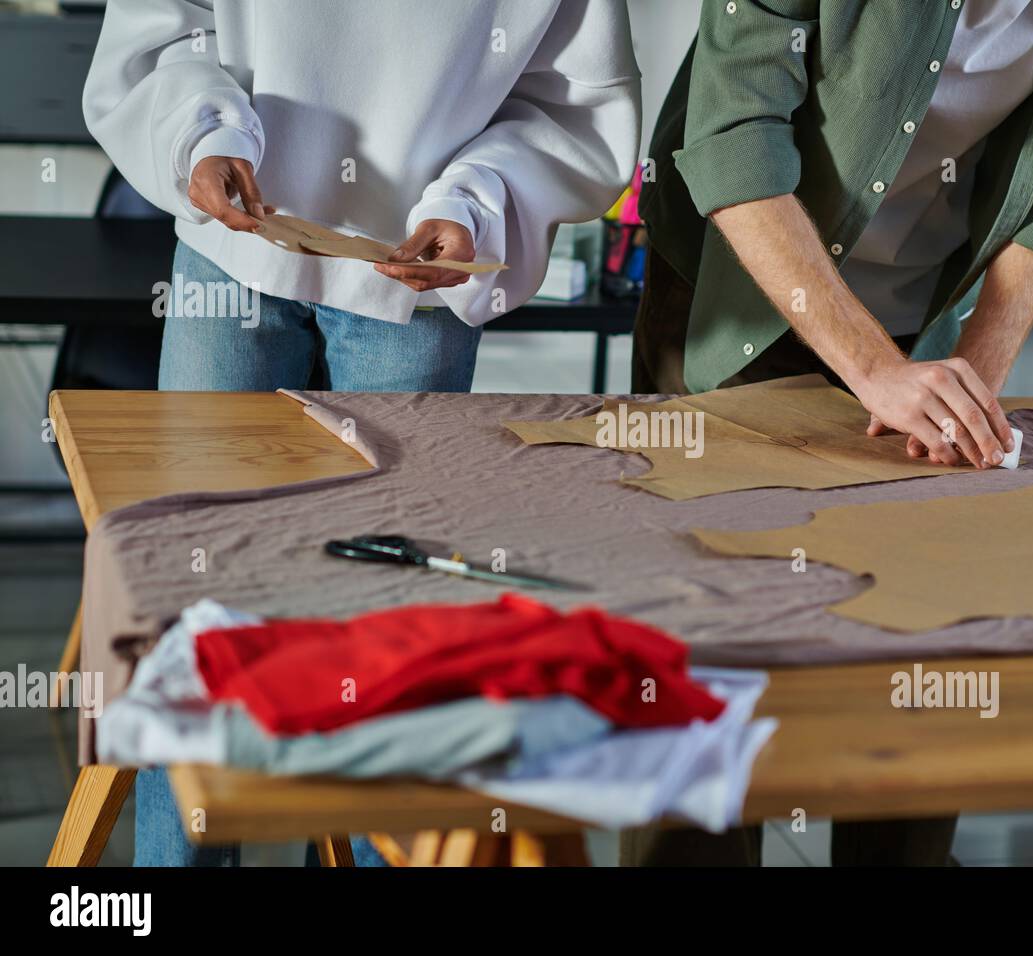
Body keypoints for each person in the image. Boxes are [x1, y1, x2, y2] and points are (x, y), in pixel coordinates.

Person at [82, 0, 640, 866]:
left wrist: (478, 201)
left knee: (387, 628)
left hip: (413, 281)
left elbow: (571, 100)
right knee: (191, 612)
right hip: (230, 254)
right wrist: (202, 131)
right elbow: (166, 25)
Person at [627, 0, 1033, 865]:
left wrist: (974, 393)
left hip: (922, 324)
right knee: (713, 642)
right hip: (740, 285)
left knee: (918, 634)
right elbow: (736, 136)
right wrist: (871, 369)